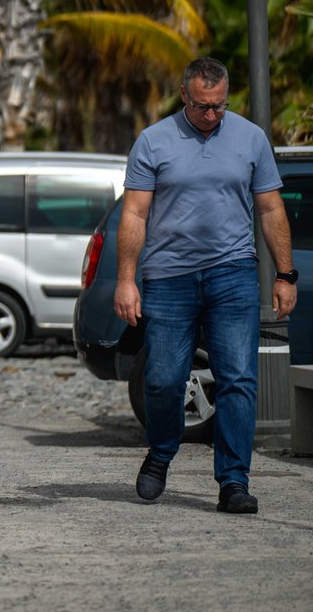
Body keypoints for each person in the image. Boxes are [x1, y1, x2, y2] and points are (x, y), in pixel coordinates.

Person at [114, 56, 296, 514]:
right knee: (162, 380)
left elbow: (271, 209)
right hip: (169, 278)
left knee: (238, 379)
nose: (211, 116)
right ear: (183, 96)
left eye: (219, 106)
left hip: (233, 273)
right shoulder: (153, 141)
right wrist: (126, 281)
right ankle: (160, 454)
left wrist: (285, 272)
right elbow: (134, 213)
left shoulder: (251, 138)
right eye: (202, 107)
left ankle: (234, 482)